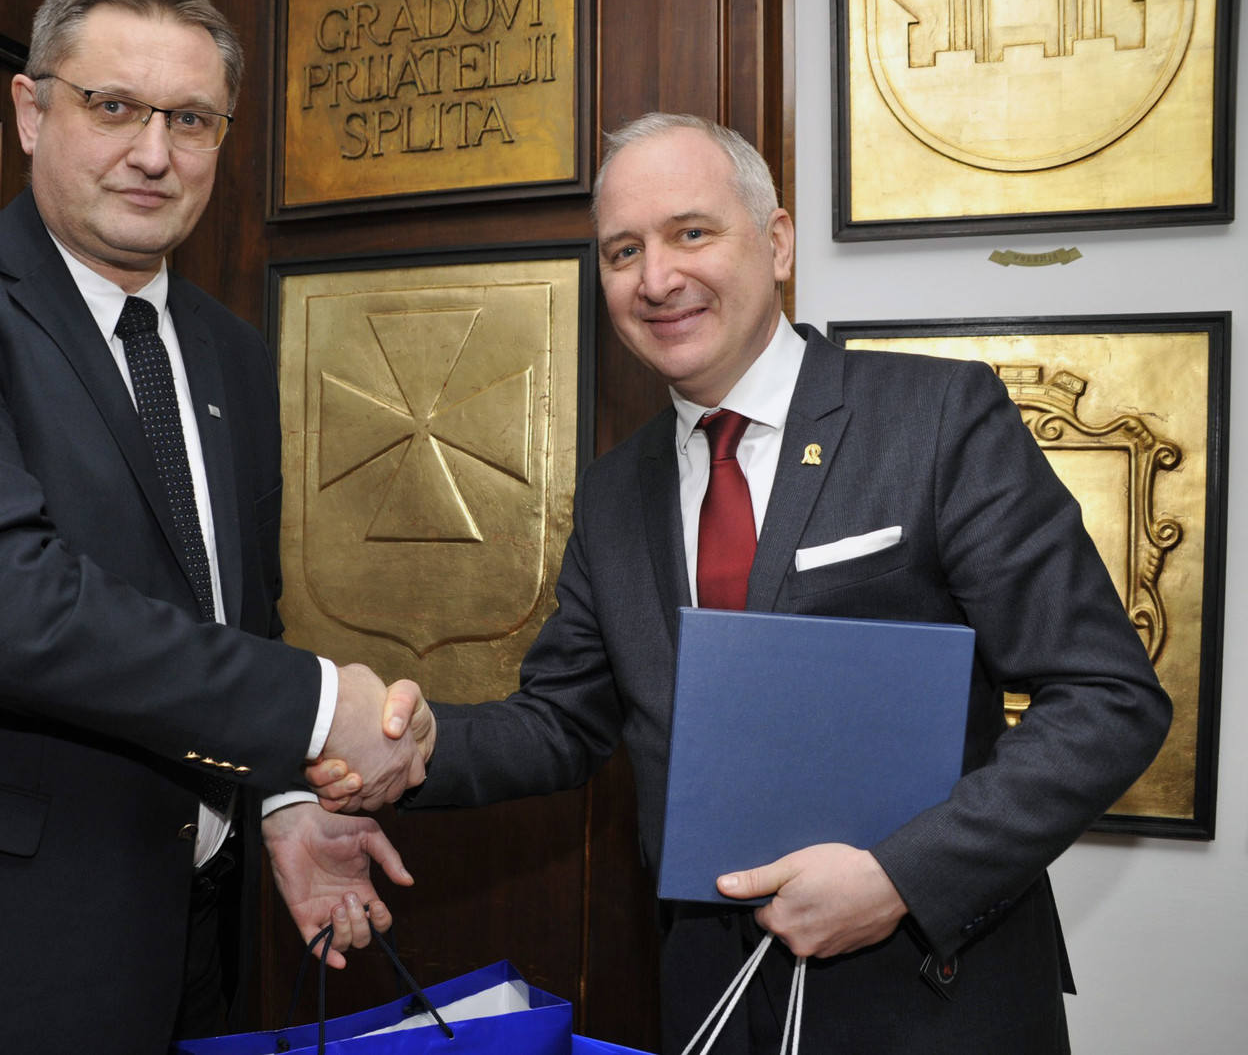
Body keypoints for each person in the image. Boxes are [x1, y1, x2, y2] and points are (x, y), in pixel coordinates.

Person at [311, 114, 1171, 1054]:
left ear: (778, 243)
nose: (656, 279)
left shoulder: (934, 421)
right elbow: (563, 720)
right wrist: (421, 746)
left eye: (691, 232)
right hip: (710, 1000)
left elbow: (1108, 699)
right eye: (623, 251)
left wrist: (900, 877)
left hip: (932, 997)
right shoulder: (614, 490)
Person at [0, 0, 422, 1052]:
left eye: (191, 120)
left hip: (192, 941)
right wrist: (322, 710)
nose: (153, 153)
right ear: (30, 111)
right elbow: (8, 606)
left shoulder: (231, 351)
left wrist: (284, 800)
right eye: (114, 106)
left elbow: (232, 617)